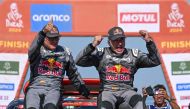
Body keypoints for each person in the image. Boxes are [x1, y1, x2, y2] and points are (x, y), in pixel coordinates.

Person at [75, 26, 160, 109]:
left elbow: (155, 61)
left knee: (139, 102)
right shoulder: (101, 53)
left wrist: (149, 42)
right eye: (115, 40)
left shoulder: (134, 54)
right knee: (104, 105)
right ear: (109, 42)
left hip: (127, 91)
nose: (119, 43)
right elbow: (79, 61)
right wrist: (93, 45)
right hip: (108, 92)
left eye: (121, 40)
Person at [24, 20, 90, 109]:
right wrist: (43, 33)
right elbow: (32, 48)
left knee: (50, 106)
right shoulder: (37, 51)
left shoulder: (65, 52)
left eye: (56, 38)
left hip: (54, 89)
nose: (54, 41)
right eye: (51, 38)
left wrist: (83, 90)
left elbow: (73, 74)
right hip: (35, 88)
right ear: (44, 38)